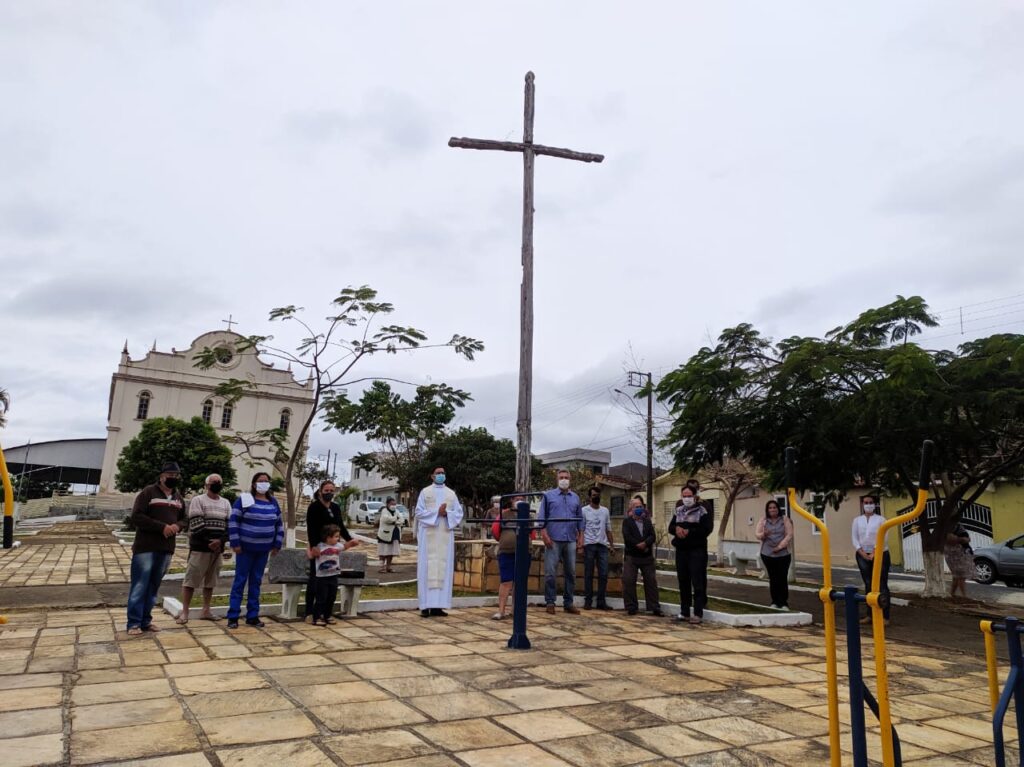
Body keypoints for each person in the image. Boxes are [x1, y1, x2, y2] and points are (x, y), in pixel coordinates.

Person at [126, 462, 186, 635]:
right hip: (146, 547)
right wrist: (161, 527)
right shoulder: (148, 492)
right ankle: (134, 623)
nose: (173, 478)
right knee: (140, 585)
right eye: (170, 475)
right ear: (161, 476)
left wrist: (177, 526)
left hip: (166, 548)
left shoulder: (178, 498)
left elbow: (185, 518)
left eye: (176, 476)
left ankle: (146, 621)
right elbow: (137, 516)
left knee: (153, 586)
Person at [226, 472, 283, 629]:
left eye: (266, 481)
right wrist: (235, 542)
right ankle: (233, 616)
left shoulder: (273, 502)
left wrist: (277, 543)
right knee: (240, 582)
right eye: (260, 481)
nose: (264, 483)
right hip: (244, 549)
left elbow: (279, 524)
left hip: (263, 551)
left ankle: (252, 616)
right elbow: (233, 521)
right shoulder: (244, 499)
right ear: (253, 484)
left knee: (256, 583)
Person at [177, 473, 230, 625]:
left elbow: (230, 525)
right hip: (200, 548)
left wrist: (220, 541)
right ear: (206, 485)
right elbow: (196, 523)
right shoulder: (198, 500)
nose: (216, 483)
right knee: (191, 580)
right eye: (213, 482)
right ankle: (185, 611)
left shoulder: (226, 503)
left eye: (219, 481)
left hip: (217, 550)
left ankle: (206, 610)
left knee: (210, 582)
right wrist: (209, 541)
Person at [414, 466, 464, 617]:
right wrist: (437, 513)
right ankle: (425, 606)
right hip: (428, 535)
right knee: (426, 568)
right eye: (438, 473)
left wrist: (446, 513)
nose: (441, 475)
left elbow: (458, 513)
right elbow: (418, 512)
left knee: (444, 569)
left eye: (443, 473)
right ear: (432, 476)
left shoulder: (451, 493)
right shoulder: (425, 492)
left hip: (445, 534)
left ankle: (438, 607)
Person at [304, 480, 357, 621]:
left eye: (332, 491)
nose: (329, 493)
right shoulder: (314, 507)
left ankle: (325, 612)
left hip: (332, 548)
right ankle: (309, 612)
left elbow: (340, 526)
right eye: (326, 490)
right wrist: (313, 546)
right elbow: (311, 528)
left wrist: (349, 539)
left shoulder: (335, 507)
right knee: (315, 580)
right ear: (321, 491)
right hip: (318, 547)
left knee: (330, 582)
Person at [539, 469, 585, 615]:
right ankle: (550, 602)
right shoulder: (548, 496)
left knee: (571, 573)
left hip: (570, 539)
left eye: (566, 477)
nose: (564, 480)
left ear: (570, 479)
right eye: (561, 477)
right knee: (550, 573)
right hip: (553, 539)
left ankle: (568, 603)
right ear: (557, 479)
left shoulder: (575, 497)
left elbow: (580, 518)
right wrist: (544, 534)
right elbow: (541, 517)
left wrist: (581, 537)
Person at [670, 486, 713, 624]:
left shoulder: (702, 511)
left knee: (697, 581)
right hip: (681, 550)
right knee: (683, 581)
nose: (686, 498)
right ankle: (684, 611)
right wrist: (677, 529)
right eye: (684, 495)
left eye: (689, 495)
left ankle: (698, 613)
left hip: (696, 550)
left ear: (694, 496)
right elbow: (671, 527)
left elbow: (706, 530)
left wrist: (689, 531)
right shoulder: (678, 510)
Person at [491, 495, 532, 620]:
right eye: (516, 499)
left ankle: (515, 610)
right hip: (506, 552)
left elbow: (532, 532)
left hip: (524, 552)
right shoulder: (504, 514)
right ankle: (501, 611)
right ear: (511, 500)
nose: (519, 501)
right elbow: (495, 531)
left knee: (520, 582)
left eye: (522, 499)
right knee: (506, 581)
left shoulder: (528, 516)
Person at [852, 495, 891, 626]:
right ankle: (870, 615)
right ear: (862, 504)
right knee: (868, 584)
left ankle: (885, 616)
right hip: (862, 554)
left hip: (880, 554)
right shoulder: (857, 520)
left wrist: (875, 552)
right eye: (866, 502)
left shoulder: (881, 520)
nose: (868, 505)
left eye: (871, 502)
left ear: (875, 504)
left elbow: (884, 537)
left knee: (882, 584)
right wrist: (862, 552)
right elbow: (854, 538)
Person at [621, 496, 662, 616]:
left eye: (640, 506)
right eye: (636, 507)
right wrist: (638, 544)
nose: (639, 508)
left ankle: (654, 607)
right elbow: (627, 537)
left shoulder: (647, 521)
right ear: (631, 509)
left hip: (646, 556)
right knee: (629, 581)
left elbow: (652, 535)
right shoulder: (627, 522)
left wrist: (645, 544)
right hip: (632, 556)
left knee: (651, 582)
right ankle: (631, 607)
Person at [756, 499, 794, 609]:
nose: (772, 509)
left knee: (782, 578)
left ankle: (784, 603)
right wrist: (764, 534)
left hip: (783, 554)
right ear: (767, 510)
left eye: (774, 507)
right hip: (767, 554)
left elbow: (789, 534)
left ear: (778, 509)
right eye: (770, 508)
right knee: (773, 578)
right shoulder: (763, 520)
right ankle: (775, 602)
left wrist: (779, 547)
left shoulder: (784, 519)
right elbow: (757, 534)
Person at [582, 488, 614, 611]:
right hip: (589, 544)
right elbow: (581, 529)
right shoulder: (584, 510)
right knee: (588, 574)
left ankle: (601, 601)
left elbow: (608, 528)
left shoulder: (605, 511)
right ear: (590, 497)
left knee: (604, 574)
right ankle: (588, 601)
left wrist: (611, 545)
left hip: (602, 545)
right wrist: (580, 545)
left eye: (598, 495)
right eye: (594, 495)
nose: (596, 497)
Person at [308, 524, 343, 625]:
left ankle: (327, 615)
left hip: (334, 575)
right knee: (321, 598)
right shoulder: (319, 546)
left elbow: (346, 546)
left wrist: (352, 542)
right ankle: (316, 617)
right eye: (336, 536)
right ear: (328, 537)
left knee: (332, 597)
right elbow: (310, 555)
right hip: (322, 577)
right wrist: (310, 548)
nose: (338, 538)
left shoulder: (338, 546)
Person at [944, 521, 973, 599]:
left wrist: (962, 539)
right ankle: (964, 596)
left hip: (961, 553)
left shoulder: (957, 525)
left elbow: (967, 539)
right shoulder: (945, 527)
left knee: (957, 576)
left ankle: (952, 594)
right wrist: (962, 539)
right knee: (961, 576)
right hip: (955, 554)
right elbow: (951, 539)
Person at [377, 497, 402, 573]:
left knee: (391, 551)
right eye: (392, 504)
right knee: (383, 551)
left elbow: (402, 520)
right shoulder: (384, 511)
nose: (393, 506)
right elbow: (386, 519)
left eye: (395, 504)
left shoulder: (397, 511)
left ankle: (388, 567)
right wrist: (396, 519)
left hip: (394, 535)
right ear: (387, 504)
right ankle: (381, 567)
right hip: (384, 535)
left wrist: (395, 521)